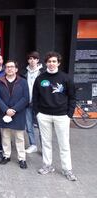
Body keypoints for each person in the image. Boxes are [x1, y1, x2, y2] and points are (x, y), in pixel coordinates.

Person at [33, 51, 77, 181]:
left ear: (58, 63)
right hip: (44, 115)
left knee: (64, 144)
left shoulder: (66, 78)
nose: (51, 64)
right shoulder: (40, 78)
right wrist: (37, 113)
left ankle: (67, 169)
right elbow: (35, 97)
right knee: (46, 143)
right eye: (49, 61)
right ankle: (47, 165)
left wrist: (69, 114)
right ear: (45, 63)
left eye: (54, 61)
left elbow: (72, 97)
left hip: (62, 116)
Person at [0, 60, 29, 169]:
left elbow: (26, 98)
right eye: (7, 67)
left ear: (16, 69)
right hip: (5, 113)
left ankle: (21, 158)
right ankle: (6, 156)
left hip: (18, 113)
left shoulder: (23, 81)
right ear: (5, 69)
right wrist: (6, 110)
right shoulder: (0, 82)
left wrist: (14, 110)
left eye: (12, 67)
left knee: (19, 137)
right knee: (5, 136)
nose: (9, 69)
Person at [20, 51, 45, 153]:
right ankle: (33, 145)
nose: (32, 60)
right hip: (27, 103)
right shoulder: (24, 73)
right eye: (30, 59)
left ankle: (44, 148)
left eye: (34, 59)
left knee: (41, 127)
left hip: (39, 104)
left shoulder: (43, 73)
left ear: (38, 60)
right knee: (29, 125)